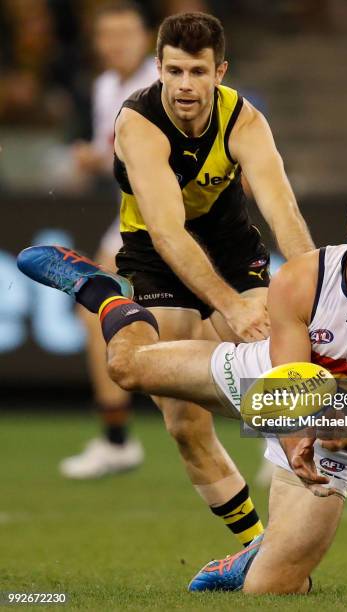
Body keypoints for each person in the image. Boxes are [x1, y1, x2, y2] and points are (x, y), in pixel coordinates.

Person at [18, 175, 347, 593]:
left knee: (269, 589)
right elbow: (285, 385)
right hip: (265, 380)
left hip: (335, 438)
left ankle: (253, 557)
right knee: (127, 366)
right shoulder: (305, 275)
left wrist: (337, 433)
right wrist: (299, 430)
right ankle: (103, 290)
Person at [73, 10, 315, 547]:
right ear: (158, 68)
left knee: (281, 359)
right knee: (183, 420)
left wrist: (313, 295)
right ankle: (254, 547)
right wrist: (231, 306)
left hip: (229, 243)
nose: (186, 85)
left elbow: (282, 212)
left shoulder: (244, 119)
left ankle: (274, 491)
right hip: (156, 252)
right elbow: (168, 233)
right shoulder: (137, 123)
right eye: (176, 71)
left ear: (220, 71)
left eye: (198, 72)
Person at [59, 2, 157, 479]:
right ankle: (116, 438)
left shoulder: (162, 84)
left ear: (146, 38)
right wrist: (93, 159)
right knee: (94, 310)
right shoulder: (104, 87)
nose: (117, 43)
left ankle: (288, 434)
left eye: (126, 33)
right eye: (108, 35)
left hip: (178, 219)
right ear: (98, 44)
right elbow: (115, 153)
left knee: (221, 329)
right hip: (131, 218)